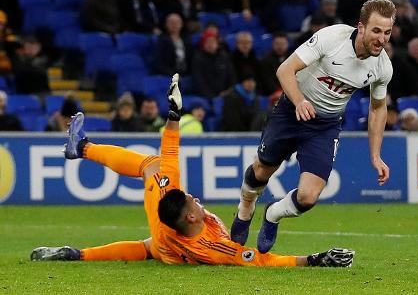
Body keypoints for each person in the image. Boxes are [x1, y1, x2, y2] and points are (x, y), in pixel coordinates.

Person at [30, 75, 355, 268]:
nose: (196, 199)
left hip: (167, 240)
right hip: (173, 246)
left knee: (154, 169)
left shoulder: (176, 215)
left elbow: (169, 154)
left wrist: (174, 116)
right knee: (150, 245)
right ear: (190, 218)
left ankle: (82, 151)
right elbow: (259, 260)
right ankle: (76, 252)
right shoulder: (213, 248)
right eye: (192, 202)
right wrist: (313, 260)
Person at [230, 0, 395, 254]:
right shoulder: (332, 38)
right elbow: (285, 69)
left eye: (387, 32)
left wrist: (376, 155)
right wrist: (299, 101)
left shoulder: (383, 66)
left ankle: (272, 214)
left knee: (308, 197)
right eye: (376, 30)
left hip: (325, 126)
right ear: (360, 27)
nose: (382, 39)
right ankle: (245, 207)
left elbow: (378, 108)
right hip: (291, 111)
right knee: (262, 171)